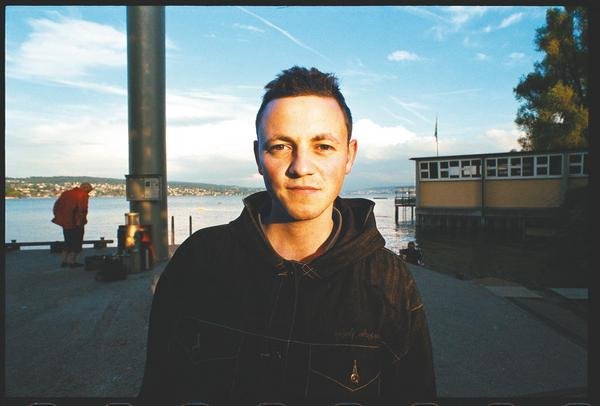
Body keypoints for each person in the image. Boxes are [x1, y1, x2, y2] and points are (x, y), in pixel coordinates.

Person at [139, 66, 436, 404]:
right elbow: (159, 387)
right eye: (281, 146)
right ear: (258, 156)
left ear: (349, 155)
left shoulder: (387, 279)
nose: (301, 167)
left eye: (323, 146)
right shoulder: (200, 261)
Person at [51, 182, 93, 268]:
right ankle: (72, 262)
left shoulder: (66, 193)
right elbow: (82, 210)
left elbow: (56, 206)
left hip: (65, 222)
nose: (89, 193)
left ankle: (64, 261)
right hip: (76, 222)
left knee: (67, 241)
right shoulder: (82, 195)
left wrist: (59, 218)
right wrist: (79, 222)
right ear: (85, 188)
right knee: (77, 242)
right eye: (89, 191)